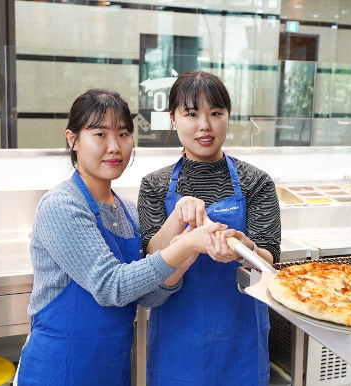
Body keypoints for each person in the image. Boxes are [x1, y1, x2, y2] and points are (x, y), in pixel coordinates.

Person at [14, 88, 226, 386]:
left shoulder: (126, 210)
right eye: (100, 134)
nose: (115, 147)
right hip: (57, 370)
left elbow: (146, 296)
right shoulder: (61, 204)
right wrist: (186, 245)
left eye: (123, 134)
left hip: (111, 371)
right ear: (72, 139)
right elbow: (110, 286)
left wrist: (181, 264)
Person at [138, 70, 282, 385]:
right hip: (177, 338)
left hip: (240, 335)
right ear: (174, 118)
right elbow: (151, 260)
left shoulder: (256, 182)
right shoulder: (154, 185)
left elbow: (269, 262)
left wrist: (245, 248)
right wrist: (177, 217)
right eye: (192, 114)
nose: (205, 125)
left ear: (228, 117)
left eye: (216, 113)